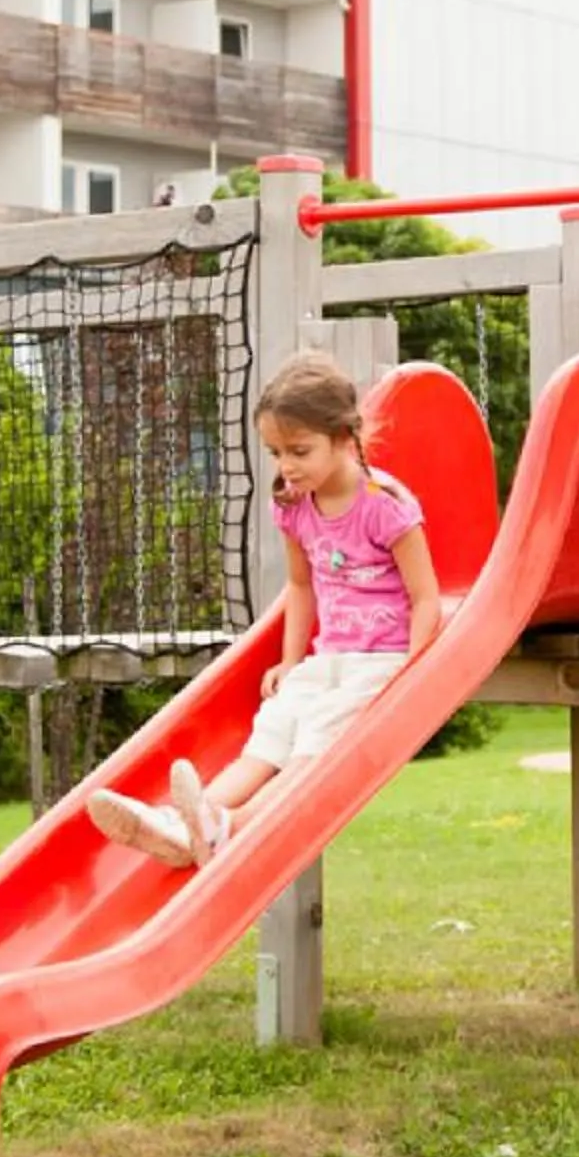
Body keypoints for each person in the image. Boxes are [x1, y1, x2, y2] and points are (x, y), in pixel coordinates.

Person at [89, 350, 442, 867]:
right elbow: (300, 586)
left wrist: (413, 671)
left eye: (299, 450)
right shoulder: (294, 504)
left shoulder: (384, 502)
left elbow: (426, 595)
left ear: (344, 439)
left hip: (380, 662)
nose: (286, 466)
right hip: (327, 659)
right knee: (271, 734)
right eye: (276, 452)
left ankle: (231, 826)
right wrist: (291, 660)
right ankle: (183, 825)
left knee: (314, 745)